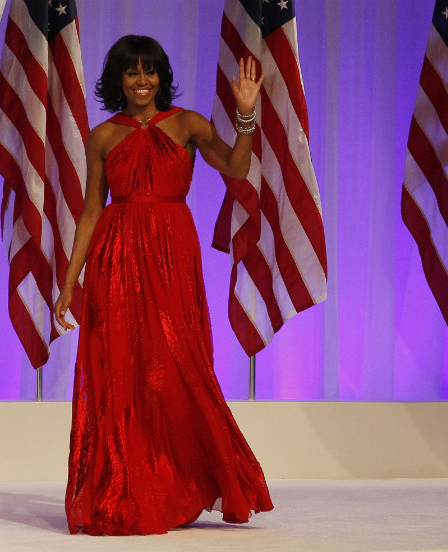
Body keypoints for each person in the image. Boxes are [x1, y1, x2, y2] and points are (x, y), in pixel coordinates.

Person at [54, 35, 274, 536]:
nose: (141, 81)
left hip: (172, 255)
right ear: (118, 80)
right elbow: (90, 212)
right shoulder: (103, 137)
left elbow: (236, 170)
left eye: (149, 71)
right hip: (117, 258)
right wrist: (70, 281)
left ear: (161, 76)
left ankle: (187, 479)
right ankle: (129, 484)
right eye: (131, 72)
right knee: (124, 371)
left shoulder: (189, 124)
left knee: (178, 366)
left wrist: (245, 117)